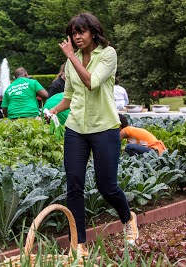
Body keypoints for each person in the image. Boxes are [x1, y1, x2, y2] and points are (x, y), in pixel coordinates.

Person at [46, 12, 139, 256]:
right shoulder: (71, 60)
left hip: (105, 128)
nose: (76, 37)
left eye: (81, 32)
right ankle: (79, 244)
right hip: (76, 129)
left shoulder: (108, 54)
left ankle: (128, 218)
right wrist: (52, 110)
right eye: (73, 33)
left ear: (93, 32)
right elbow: (69, 96)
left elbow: (92, 82)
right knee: (74, 186)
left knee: (106, 186)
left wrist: (70, 57)